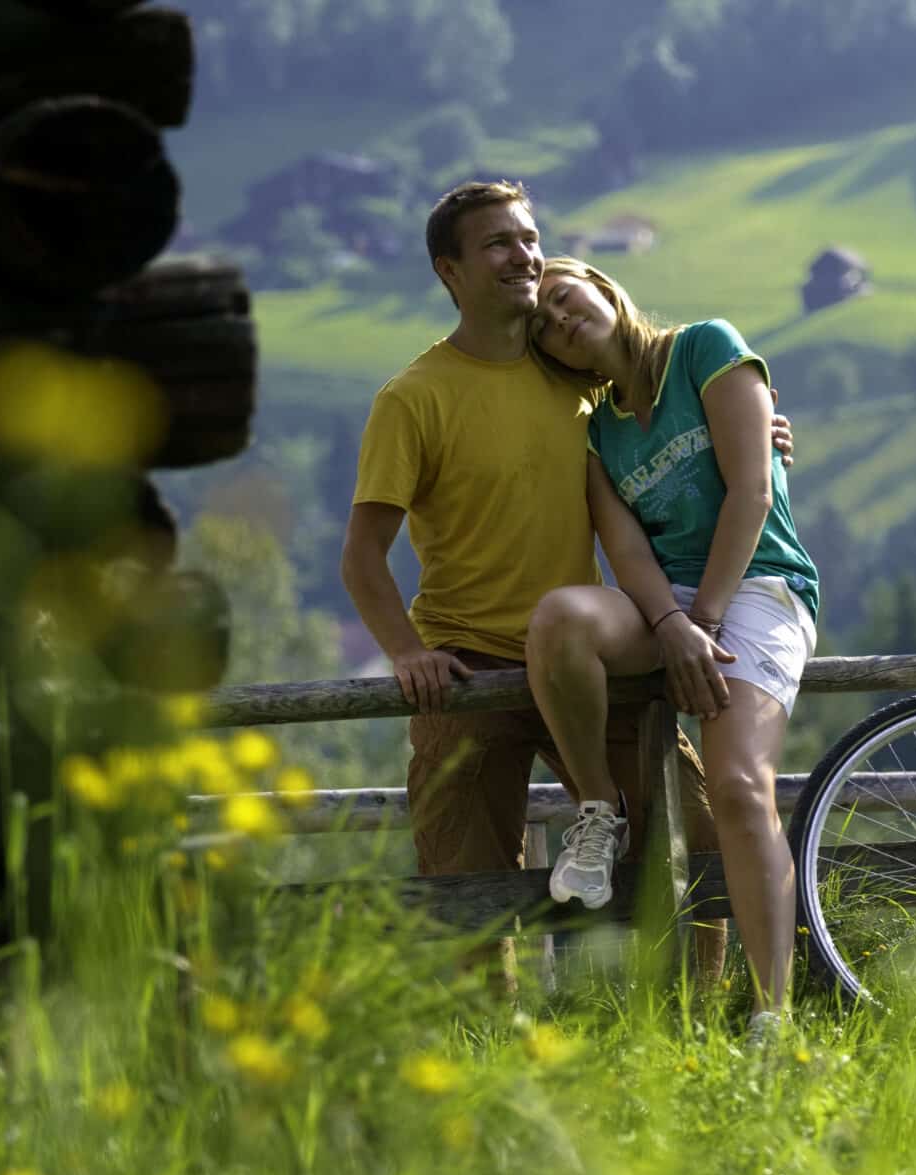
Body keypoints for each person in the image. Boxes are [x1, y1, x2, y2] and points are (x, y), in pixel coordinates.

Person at [339, 181, 792, 990]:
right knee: (463, 881)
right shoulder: (414, 398)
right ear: (450, 270)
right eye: (497, 244)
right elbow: (363, 555)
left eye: (529, 237)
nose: (523, 256)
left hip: (585, 660)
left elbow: (673, 423)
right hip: (468, 666)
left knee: (693, 826)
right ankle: (486, 1055)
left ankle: (700, 1029)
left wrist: (762, 431)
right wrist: (405, 652)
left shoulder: (575, 377)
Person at [524, 256, 819, 1034]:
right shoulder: (598, 439)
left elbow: (753, 492)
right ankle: (600, 809)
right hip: (669, 609)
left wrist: (708, 622)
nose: (561, 321)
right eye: (546, 328)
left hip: (758, 586)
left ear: (601, 285)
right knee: (560, 619)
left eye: (562, 298)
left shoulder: (706, 349)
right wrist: (671, 626)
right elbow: (628, 555)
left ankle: (772, 1016)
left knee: (736, 786)